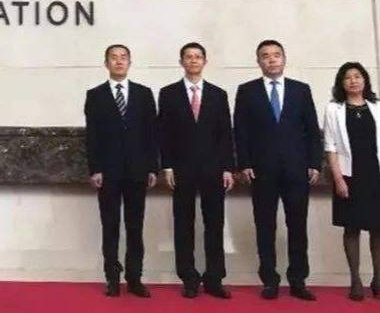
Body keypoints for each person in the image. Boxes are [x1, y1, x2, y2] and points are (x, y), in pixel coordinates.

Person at [233, 39, 322, 300]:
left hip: (297, 169)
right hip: (261, 170)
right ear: (258, 61)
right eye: (265, 56)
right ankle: (269, 280)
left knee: (297, 226)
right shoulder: (247, 91)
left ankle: (298, 280)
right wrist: (244, 163)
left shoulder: (301, 90)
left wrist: (314, 163)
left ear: (284, 59)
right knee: (265, 226)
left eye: (276, 55)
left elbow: (312, 130)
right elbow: (241, 131)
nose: (271, 59)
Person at [158, 42, 234, 299]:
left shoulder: (218, 94)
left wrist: (227, 168)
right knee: (183, 224)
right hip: (181, 168)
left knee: (215, 224)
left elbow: (225, 134)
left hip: (213, 168)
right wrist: (167, 165)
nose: (193, 60)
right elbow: (163, 133)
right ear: (181, 62)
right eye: (188, 57)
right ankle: (189, 278)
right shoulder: (168, 94)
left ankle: (214, 279)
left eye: (198, 56)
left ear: (204, 61)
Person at [84, 44, 157, 298]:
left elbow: (151, 133)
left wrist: (152, 167)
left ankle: (135, 278)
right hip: (108, 172)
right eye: (113, 58)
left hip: (138, 170)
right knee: (110, 226)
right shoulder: (95, 95)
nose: (119, 61)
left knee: (135, 227)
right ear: (106, 63)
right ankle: (112, 278)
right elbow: (92, 136)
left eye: (123, 57)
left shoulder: (144, 94)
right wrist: (95, 169)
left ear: (130, 62)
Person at [323, 62, 380, 300]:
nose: (353, 81)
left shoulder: (377, 107)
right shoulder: (333, 109)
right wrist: (338, 179)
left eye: (358, 76)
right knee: (352, 227)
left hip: (375, 174)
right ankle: (355, 280)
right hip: (348, 175)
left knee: (378, 228)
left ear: (365, 80)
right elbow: (331, 146)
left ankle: (378, 278)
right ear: (341, 83)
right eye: (348, 77)